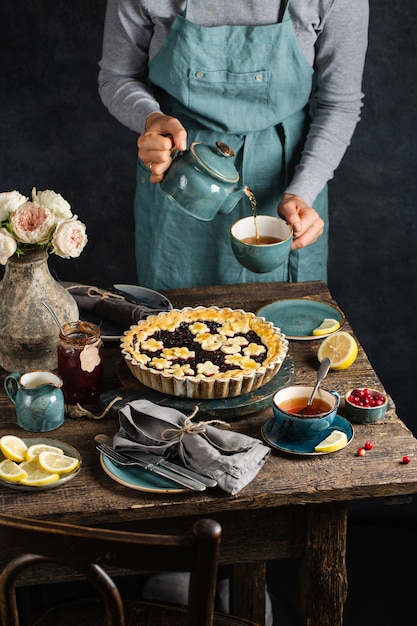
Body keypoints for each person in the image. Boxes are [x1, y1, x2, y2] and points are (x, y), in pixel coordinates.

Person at [98, 0, 369, 290]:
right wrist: (151, 120)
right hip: (181, 173)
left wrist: (301, 193)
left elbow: (339, 104)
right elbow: (118, 77)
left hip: (287, 185)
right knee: (172, 325)